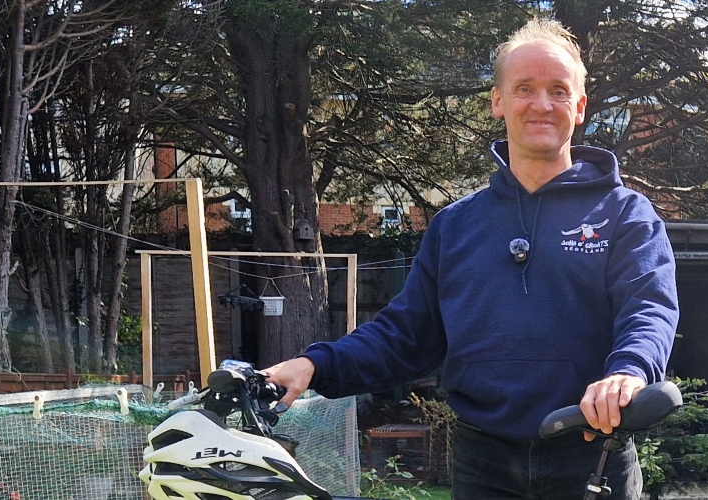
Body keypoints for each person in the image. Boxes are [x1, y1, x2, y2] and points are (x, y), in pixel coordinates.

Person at [262, 17, 679, 500]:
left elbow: (649, 309)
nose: (542, 104)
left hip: (592, 455)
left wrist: (627, 372)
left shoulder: (627, 214)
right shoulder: (456, 226)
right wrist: (314, 366)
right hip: (482, 465)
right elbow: (405, 335)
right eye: (524, 88)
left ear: (579, 106)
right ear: (498, 101)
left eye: (558, 91)